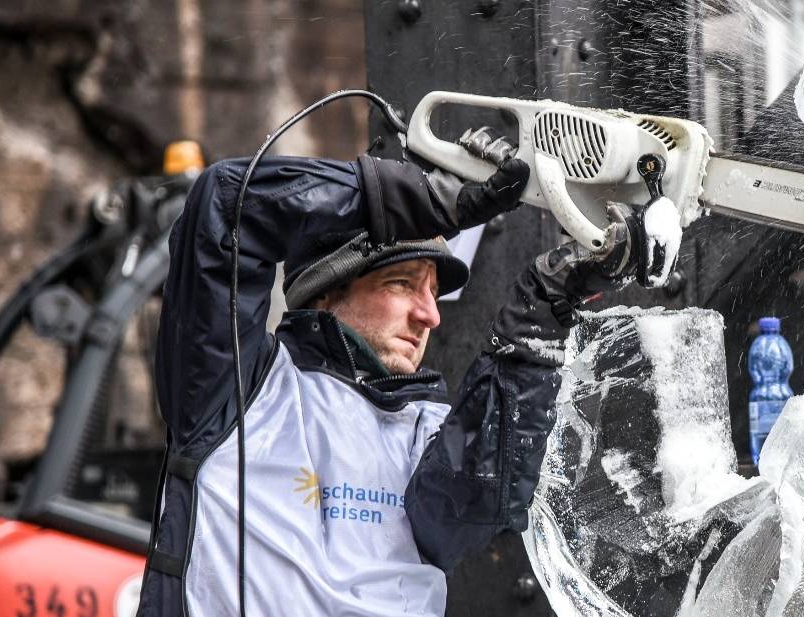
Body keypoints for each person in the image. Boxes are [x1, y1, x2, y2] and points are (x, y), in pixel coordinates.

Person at [136, 138, 642, 615]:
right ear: (325, 292)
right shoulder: (237, 390)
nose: (430, 316)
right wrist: (420, 200)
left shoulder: (429, 427)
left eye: (433, 293)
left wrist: (544, 309)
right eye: (402, 284)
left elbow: (469, 510)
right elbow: (228, 205)